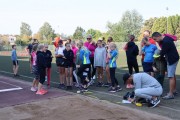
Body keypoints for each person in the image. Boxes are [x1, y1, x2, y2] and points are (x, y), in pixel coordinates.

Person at [152, 32, 179, 99]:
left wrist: (157, 57)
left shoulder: (166, 42)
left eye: (155, 39)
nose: (156, 41)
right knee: (172, 75)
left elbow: (162, 53)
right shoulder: (166, 39)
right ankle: (174, 90)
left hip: (172, 59)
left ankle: (171, 94)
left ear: (158, 36)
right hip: (174, 58)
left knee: (170, 76)